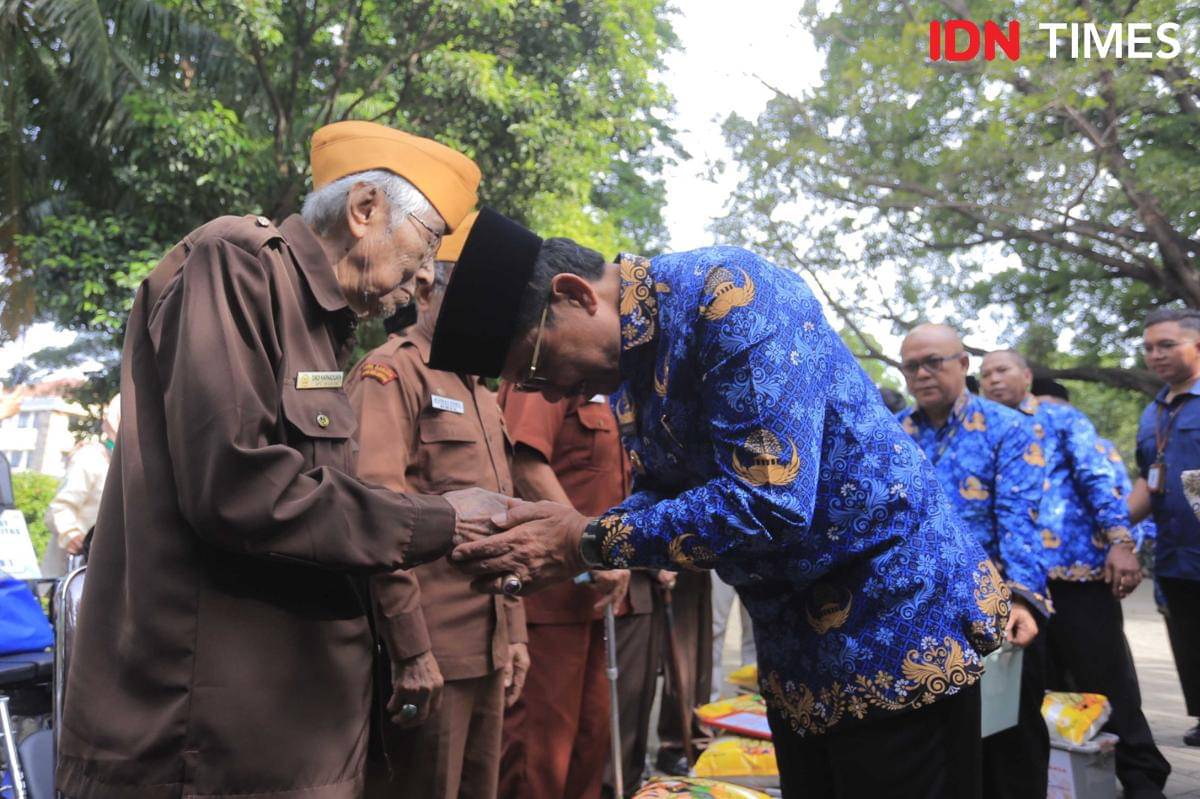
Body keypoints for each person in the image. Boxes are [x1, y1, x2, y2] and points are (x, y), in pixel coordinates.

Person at [429, 210, 1011, 799]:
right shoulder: (630, 367)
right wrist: (572, 533)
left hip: (894, 621)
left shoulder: (729, 296)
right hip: (798, 648)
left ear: (576, 296)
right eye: (531, 389)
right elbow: (666, 491)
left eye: (538, 367)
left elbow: (770, 501)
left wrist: (586, 540)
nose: (553, 392)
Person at [56, 121, 520, 799]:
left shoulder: (322, 326)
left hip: (291, 745)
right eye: (425, 244)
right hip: (205, 752)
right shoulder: (238, 261)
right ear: (365, 210)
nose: (425, 278)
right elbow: (240, 486)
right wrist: (441, 520)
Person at [345, 214, 529, 799]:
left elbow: (508, 516)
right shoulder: (392, 373)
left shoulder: (480, 388)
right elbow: (376, 515)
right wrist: (412, 650)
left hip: (488, 649)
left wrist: (516, 633)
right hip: (429, 656)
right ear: (428, 285)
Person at [981, 349, 1170, 798]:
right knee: (1022, 696)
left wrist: (1123, 543)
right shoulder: (977, 430)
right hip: (1014, 586)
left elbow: (1098, 482)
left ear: (1026, 376)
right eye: (984, 374)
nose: (992, 379)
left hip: (1077, 579)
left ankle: (1143, 780)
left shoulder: (1062, 421)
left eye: (1002, 370)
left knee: (1107, 682)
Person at [895, 326, 1048, 799]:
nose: (921, 374)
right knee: (935, 749)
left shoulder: (1010, 429)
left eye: (933, 362)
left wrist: (1020, 599)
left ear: (963, 363)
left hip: (994, 609)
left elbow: (1022, 519)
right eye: (911, 366)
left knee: (1008, 741)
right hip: (914, 615)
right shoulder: (891, 434)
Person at [495, 385, 631, 799]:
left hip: (598, 600)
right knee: (538, 763)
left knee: (589, 750)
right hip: (548, 599)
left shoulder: (617, 380)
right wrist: (592, 544)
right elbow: (525, 462)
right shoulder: (547, 367)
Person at [1130, 306, 1200, 748]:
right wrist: (1112, 525)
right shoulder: (1153, 411)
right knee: (1188, 638)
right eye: (1149, 348)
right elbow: (1147, 477)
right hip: (1174, 553)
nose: (1156, 355)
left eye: (1167, 345)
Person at [41, 394, 120, 577]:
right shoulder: (91, 457)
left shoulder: (128, 467)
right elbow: (59, 509)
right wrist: (73, 536)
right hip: (75, 574)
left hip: (107, 572)